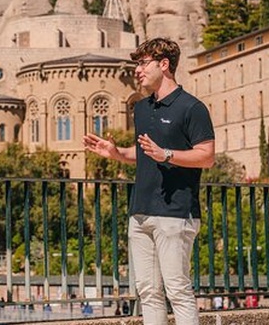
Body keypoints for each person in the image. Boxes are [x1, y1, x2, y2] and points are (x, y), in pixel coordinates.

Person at [83, 38, 215, 325]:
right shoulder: (141, 108)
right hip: (140, 212)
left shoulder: (192, 108)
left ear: (164, 64)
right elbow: (143, 154)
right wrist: (116, 153)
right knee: (147, 291)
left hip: (176, 213)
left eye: (143, 63)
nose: (138, 70)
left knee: (177, 290)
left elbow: (206, 156)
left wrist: (166, 154)